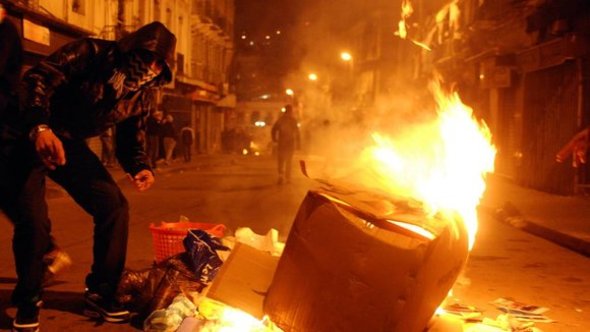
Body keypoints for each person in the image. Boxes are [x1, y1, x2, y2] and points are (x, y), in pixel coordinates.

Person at [0, 21, 176, 331]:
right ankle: (28, 301)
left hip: (66, 141)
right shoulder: (90, 52)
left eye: (159, 63)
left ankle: (101, 292)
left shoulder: (140, 94)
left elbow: (130, 139)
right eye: (146, 56)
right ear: (131, 47)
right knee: (33, 221)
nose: (149, 66)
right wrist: (39, 127)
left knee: (114, 206)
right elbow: (38, 79)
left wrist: (140, 166)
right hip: (24, 133)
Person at [0, 4, 72, 289]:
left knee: (19, 202)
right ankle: (49, 250)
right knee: (10, 199)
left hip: (8, 132)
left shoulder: (6, 31)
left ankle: (47, 252)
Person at [271, 104, 300, 184]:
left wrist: (274, 139)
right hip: (290, 143)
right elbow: (297, 132)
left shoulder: (281, 119)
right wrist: (298, 144)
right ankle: (287, 178)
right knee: (289, 161)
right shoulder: (293, 120)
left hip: (282, 143)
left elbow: (273, 130)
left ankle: (281, 175)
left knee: (281, 160)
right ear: (290, 111)